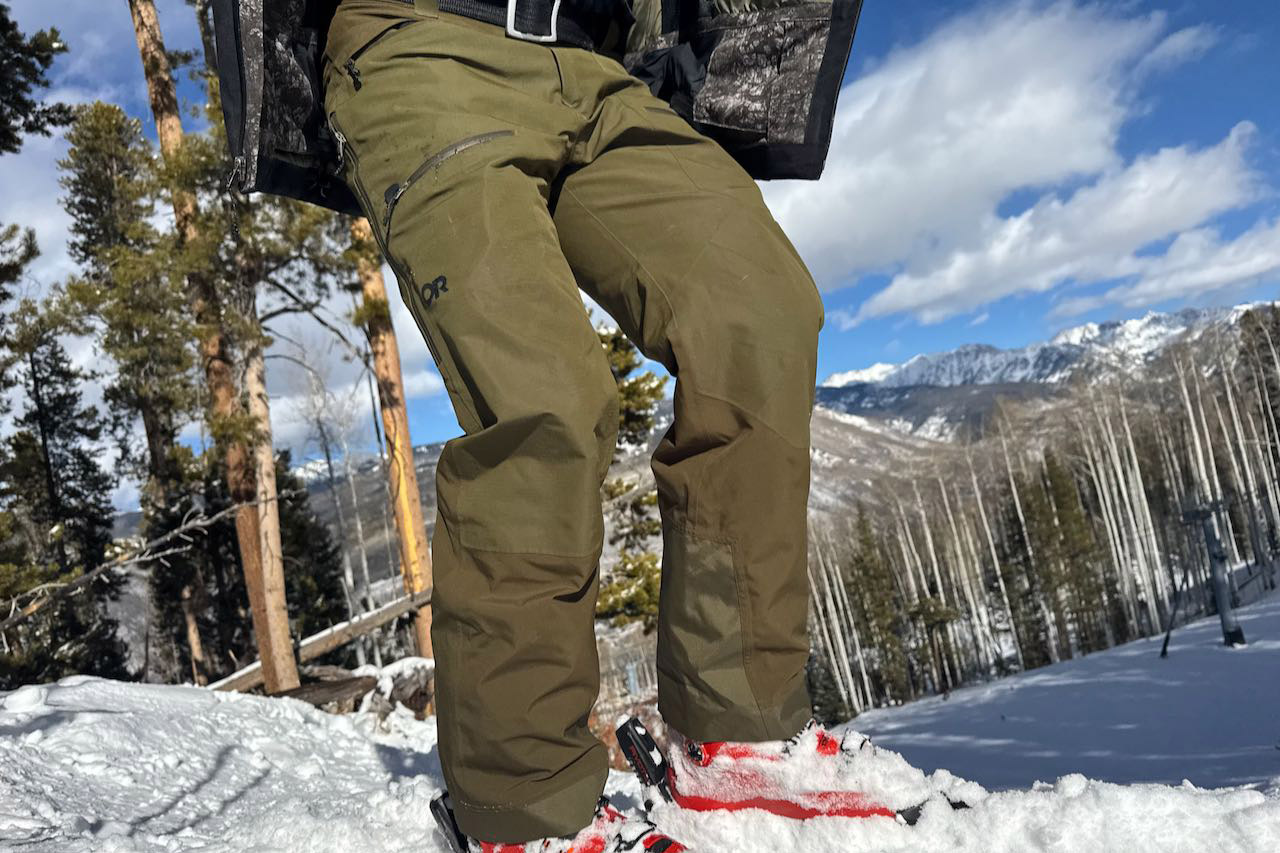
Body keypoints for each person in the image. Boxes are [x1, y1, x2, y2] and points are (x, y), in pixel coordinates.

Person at [213, 0, 863, 848]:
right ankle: (525, 812)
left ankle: (735, 730)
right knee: (543, 399)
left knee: (759, 318)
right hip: (420, 41)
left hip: (600, 69)